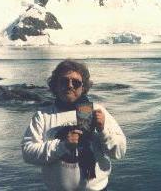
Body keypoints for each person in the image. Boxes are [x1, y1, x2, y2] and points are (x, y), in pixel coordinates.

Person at [21, 60, 126, 191]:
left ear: (83, 87)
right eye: (64, 81)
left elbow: (119, 152)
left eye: (76, 82)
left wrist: (103, 130)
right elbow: (27, 153)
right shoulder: (43, 115)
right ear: (55, 85)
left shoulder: (96, 111)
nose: (70, 86)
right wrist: (62, 146)